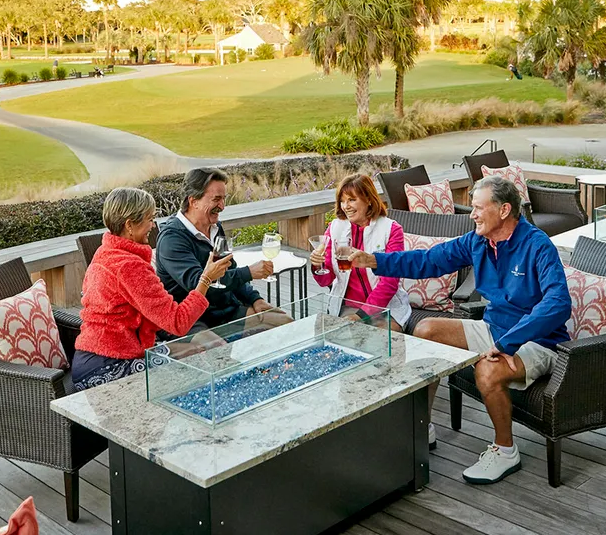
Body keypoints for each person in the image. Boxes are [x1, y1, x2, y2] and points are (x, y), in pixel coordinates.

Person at [348, 176, 571, 484]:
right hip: (494, 329)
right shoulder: (478, 241)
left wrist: (507, 343)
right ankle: (421, 426)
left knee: (488, 370)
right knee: (425, 330)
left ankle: (506, 450)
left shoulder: (537, 245)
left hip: (539, 341)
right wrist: (374, 260)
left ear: (504, 210)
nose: (472, 214)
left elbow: (558, 304)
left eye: (479, 208)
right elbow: (429, 260)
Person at [72, 187, 233, 391]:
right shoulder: (130, 266)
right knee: (196, 369)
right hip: (107, 365)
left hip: (94, 356)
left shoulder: (106, 251)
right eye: (149, 219)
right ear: (129, 225)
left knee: (197, 349)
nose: (153, 225)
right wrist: (206, 279)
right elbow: (178, 322)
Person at [156, 167, 289, 335]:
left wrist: (255, 299)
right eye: (216, 199)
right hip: (191, 320)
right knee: (216, 348)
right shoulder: (172, 239)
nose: (222, 206)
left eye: (224, 199)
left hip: (223, 311)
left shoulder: (215, 227)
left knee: (285, 322)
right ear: (193, 201)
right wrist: (249, 272)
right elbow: (199, 284)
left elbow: (230, 269)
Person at [309, 173, 410, 332]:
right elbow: (325, 280)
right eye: (342, 201)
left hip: (386, 306)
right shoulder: (335, 228)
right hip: (347, 305)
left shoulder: (391, 229)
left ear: (369, 199)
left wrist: (361, 315)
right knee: (346, 336)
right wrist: (317, 265)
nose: (346, 206)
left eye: (351, 200)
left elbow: (389, 283)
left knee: (382, 337)